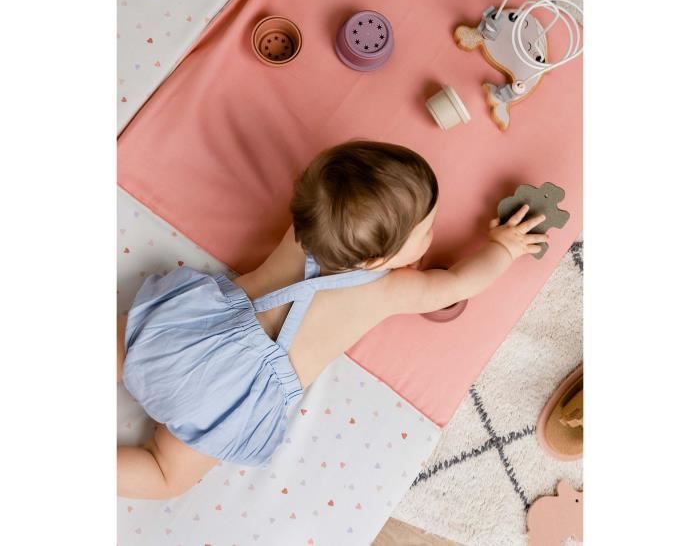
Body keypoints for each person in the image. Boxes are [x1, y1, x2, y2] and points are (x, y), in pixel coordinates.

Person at [117, 140, 547, 499]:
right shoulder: (390, 289)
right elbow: (458, 284)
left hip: (193, 334)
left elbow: (339, 191)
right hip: (235, 395)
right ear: (376, 260)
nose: (432, 235)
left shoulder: (304, 227)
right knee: (164, 473)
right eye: (426, 232)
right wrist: (504, 247)